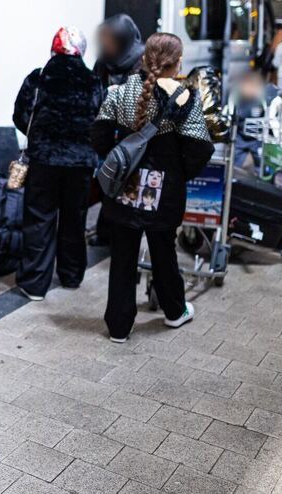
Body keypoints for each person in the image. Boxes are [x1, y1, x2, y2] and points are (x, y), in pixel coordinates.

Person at [92, 33, 214, 342]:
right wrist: (177, 174)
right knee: (164, 252)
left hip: (125, 188)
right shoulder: (186, 97)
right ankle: (174, 312)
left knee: (122, 256)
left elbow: (99, 134)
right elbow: (200, 148)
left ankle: (119, 327)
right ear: (179, 62)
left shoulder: (120, 91)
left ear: (145, 59)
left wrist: (119, 156)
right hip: (165, 194)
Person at [12, 27, 101, 301]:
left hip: (45, 160)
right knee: (75, 217)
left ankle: (35, 284)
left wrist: (41, 137)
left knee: (40, 218)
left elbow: (20, 116)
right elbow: (101, 121)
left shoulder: (39, 78)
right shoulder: (94, 82)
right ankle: (72, 275)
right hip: (81, 162)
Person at [89, 14, 146, 247]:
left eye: (112, 41)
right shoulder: (104, 61)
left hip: (130, 133)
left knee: (126, 185)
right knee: (107, 183)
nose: (107, 46)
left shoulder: (141, 60)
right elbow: (95, 87)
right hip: (106, 130)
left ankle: (122, 235)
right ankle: (105, 231)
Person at [233, 71, 268, 171]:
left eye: (253, 87)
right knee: (235, 162)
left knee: (261, 163)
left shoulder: (262, 100)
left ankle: (261, 179)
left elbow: (270, 116)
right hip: (240, 136)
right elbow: (230, 114)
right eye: (247, 86)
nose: (250, 89)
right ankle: (233, 178)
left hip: (257, 137)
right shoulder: (236, 98)